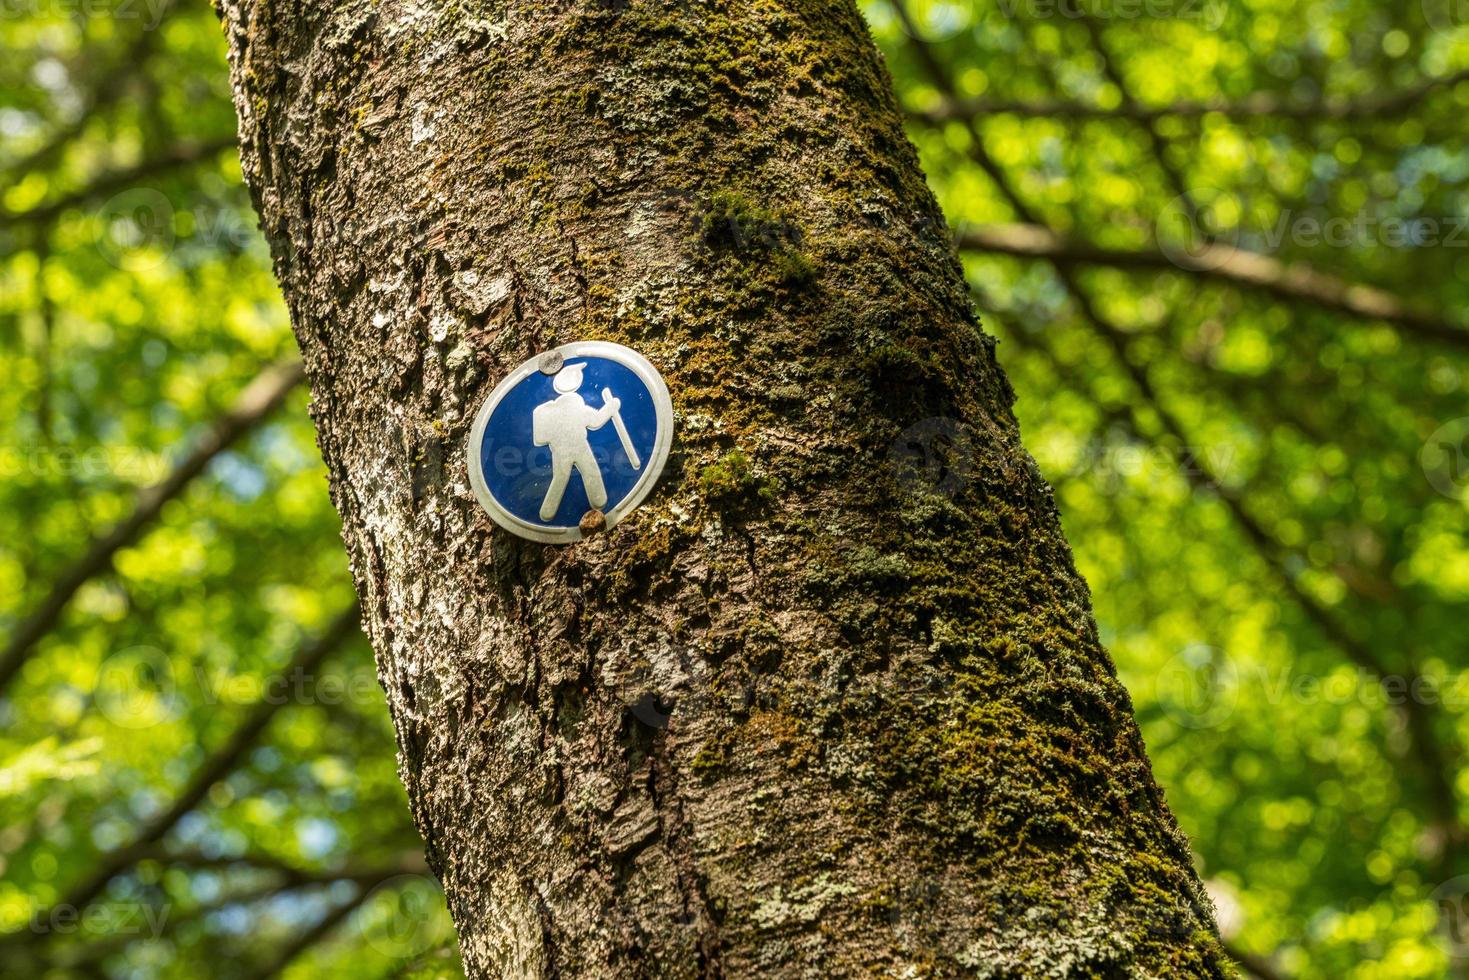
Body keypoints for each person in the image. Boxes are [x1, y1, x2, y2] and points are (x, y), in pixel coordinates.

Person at [532, 362, 620, 521]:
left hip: (560, 450)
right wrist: (611, 407)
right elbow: (596, 420)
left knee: (560, 477)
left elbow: (541, 438)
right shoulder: (576, 406)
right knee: (590, 471)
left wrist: (611, 407)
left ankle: (547, 512)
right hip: (579, 446)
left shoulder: (548, 411)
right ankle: (599, 501)